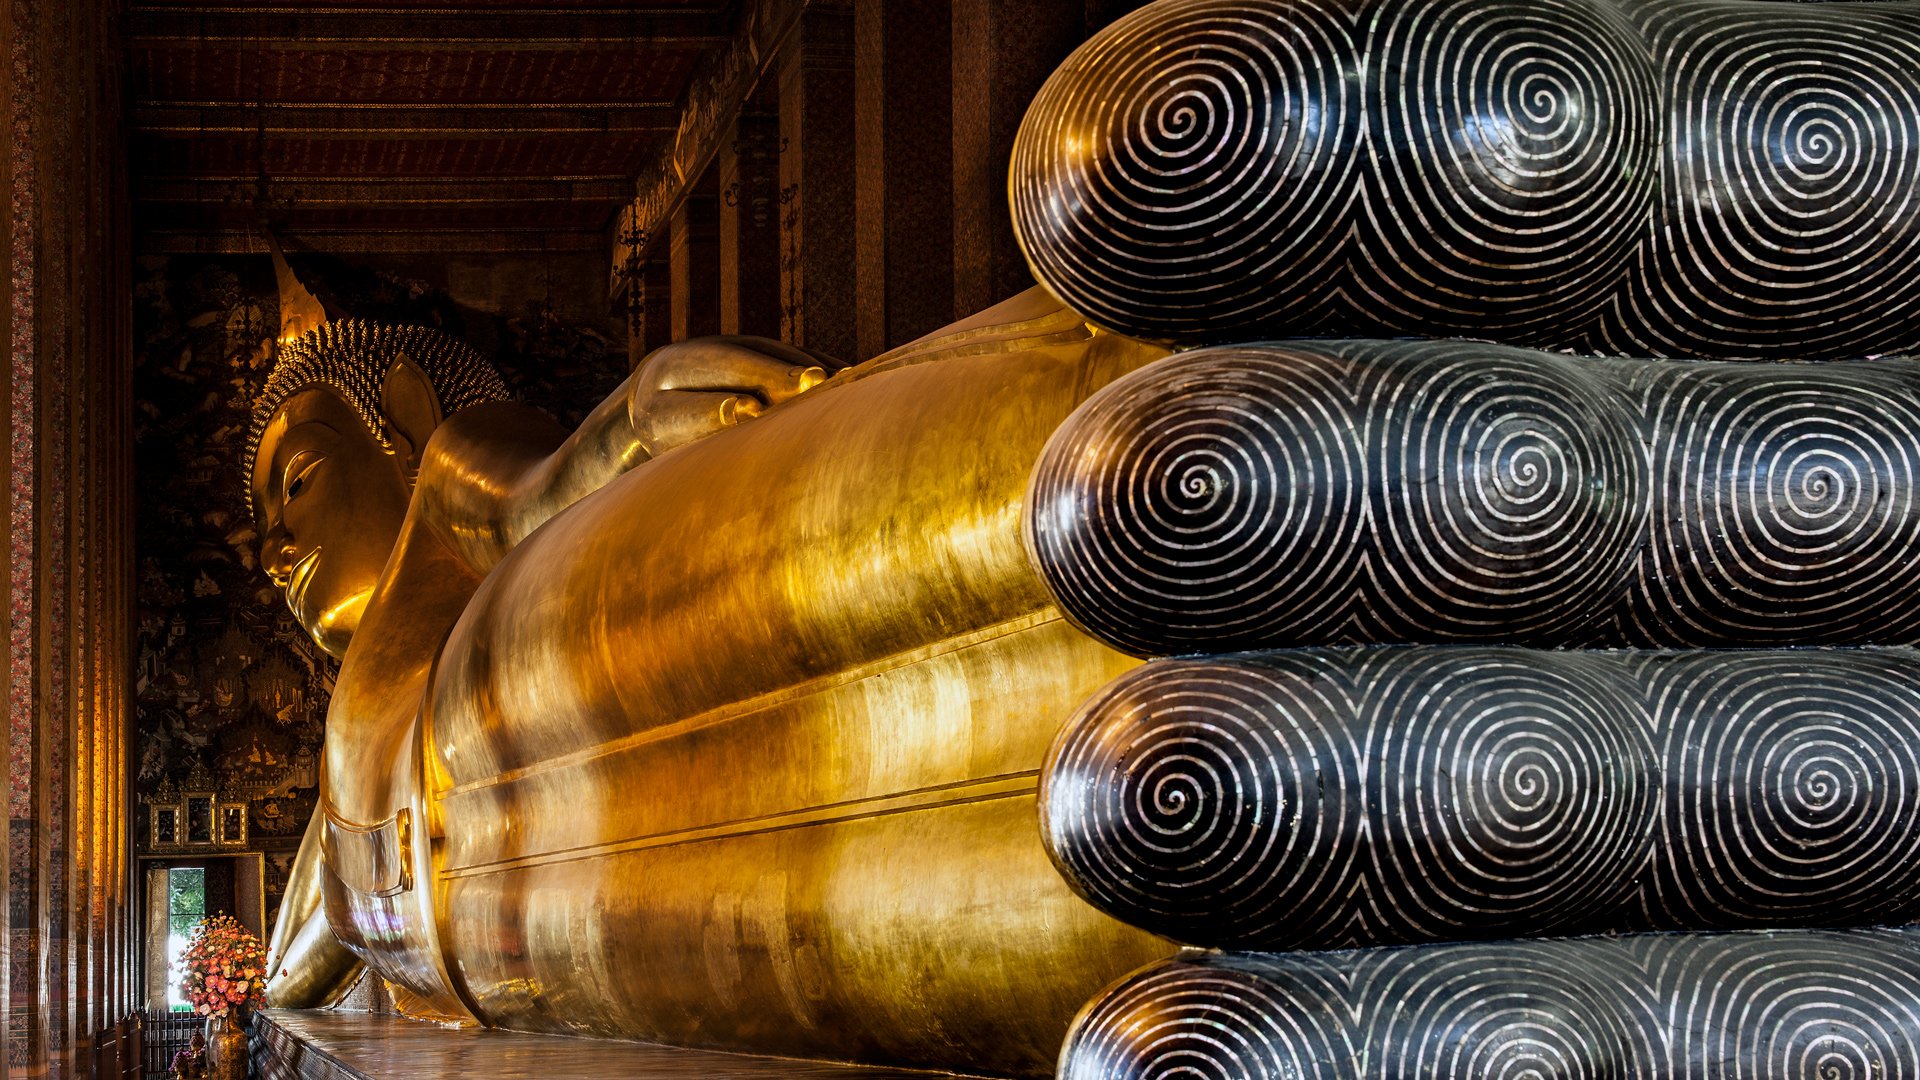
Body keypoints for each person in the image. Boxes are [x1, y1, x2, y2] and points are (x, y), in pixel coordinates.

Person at [249, 247, 1171, 1073]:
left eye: (297, 484)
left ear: (403, 428)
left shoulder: (445, 478)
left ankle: (1144, 427)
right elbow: (295, 973)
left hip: (506, 676)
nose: (275, 547)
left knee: (863, 567)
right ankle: (1180, 880)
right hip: (513, 930)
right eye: (261, 527)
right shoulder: (343, 770)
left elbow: (533, 496)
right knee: (873, 918)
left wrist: (628, 420)